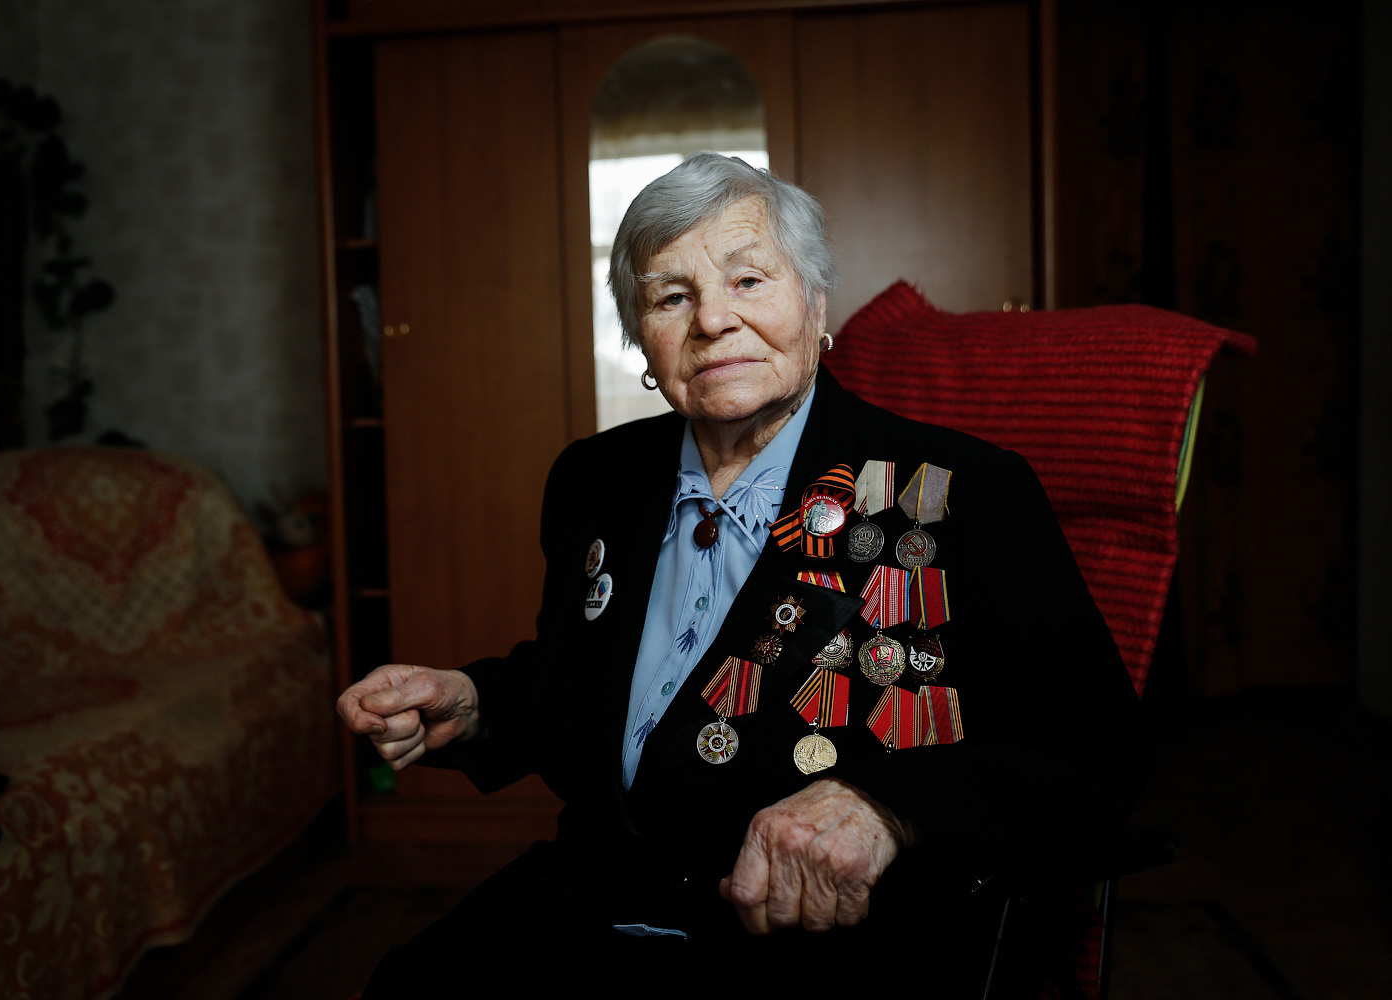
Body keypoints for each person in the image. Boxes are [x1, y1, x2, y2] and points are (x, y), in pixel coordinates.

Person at [337, 153, 1146, 994]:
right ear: (640, 337)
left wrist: (883, 808)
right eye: (671, 297)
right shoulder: (594, 480)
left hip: (820, 934)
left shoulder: (960, 494)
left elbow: (1092, 757)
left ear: (816, 304)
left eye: (748, 280)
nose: (713, 320)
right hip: (601, 892)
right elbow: (609, 688)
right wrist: (475, 703)